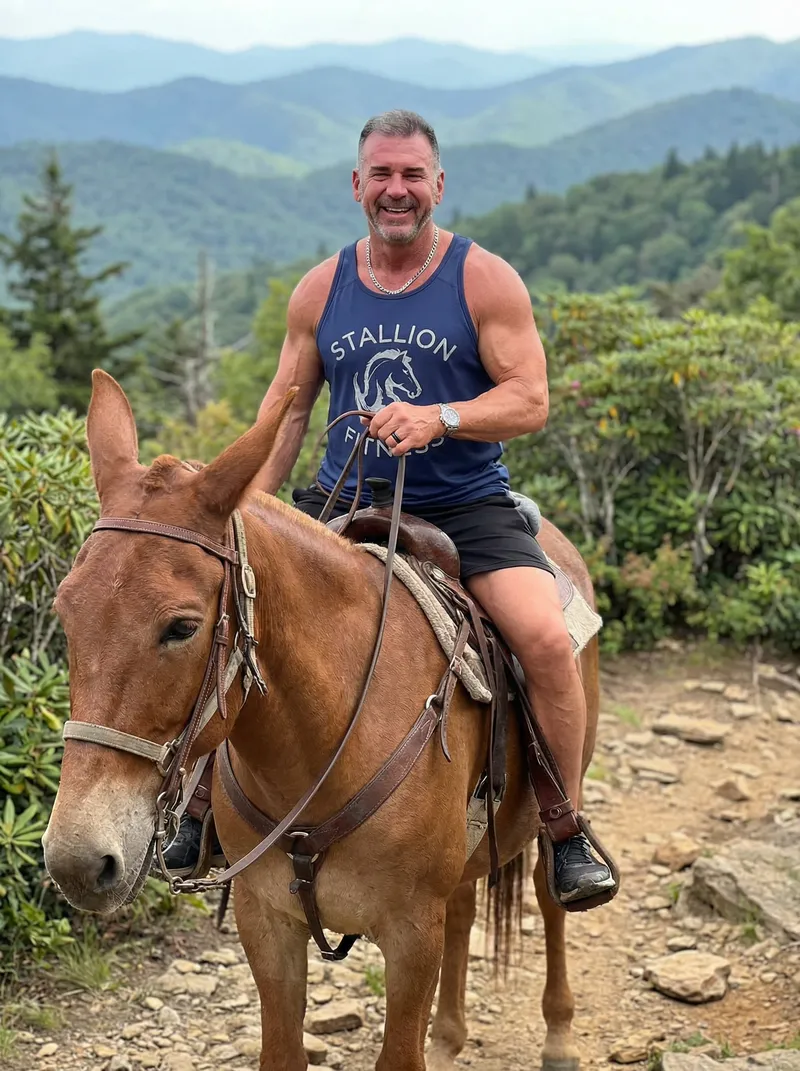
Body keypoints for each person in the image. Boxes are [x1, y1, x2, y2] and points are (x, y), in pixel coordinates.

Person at [166, 109, 613, 905]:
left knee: (545, 638)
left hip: (465, 503)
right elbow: (286, 412)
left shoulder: (483, 279)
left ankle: (564, 825)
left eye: (412, 175)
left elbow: (530, 398)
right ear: (357, 187)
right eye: (382, 175)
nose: (397, 190)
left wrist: (441, 416)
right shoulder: (322, 288)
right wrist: (240, 512)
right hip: (342, 499)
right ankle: (201, 807)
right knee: (227, 610)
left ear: (437, 185)